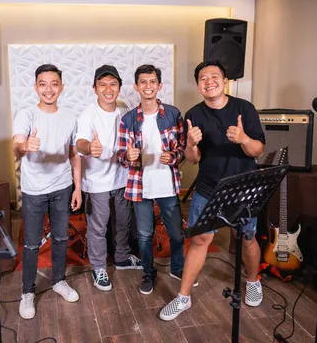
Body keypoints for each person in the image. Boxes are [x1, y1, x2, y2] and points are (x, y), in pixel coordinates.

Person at [159, 60, 266, 321]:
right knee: (199, 240)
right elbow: (193, 158)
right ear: (198, 86)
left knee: (247, 237)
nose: (209, 81)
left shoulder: (245, 108)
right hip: (208, 188)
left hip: (243, 187)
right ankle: (183, 297)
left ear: (225, 80)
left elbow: (258, 150)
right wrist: (192, 144)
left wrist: (243, 139)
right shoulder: (193, 114)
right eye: (203, 78)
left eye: (214, 76)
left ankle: (253, 281)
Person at [12, 64, 83, 320]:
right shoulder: (27, 115)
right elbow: (16, 146)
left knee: (62, 238)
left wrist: (77, 187)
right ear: (36, 87)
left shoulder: (70, 116)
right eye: (43, 84)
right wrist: (24, 147)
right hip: (34, 190)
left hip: (62, 187)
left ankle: (59, 281)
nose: (48, 89)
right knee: (31, 244)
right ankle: (28, 292)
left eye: (54, 84)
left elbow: (74, 155)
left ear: (61, 88)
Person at [116, 64, 187, 295]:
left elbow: (182, 148)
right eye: (143, 82)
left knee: (176, 232)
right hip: (140, 185)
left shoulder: (173, 114)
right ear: (136, 87)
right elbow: (120, 154)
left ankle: (177, 268)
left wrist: (173, 156)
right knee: (144, 235)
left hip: (167, 183)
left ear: (159, 86)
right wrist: (128, 156)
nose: (148, 86)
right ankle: (148, 272)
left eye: (152, 81)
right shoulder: (128, 119)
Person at [75, 65, 143, 291]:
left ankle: (122, 257)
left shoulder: (124, 110)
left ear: (119, 87)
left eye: (113, 84)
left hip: (122, 178)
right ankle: (98, 267)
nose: (108, 89)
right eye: (102, 84)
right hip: (96, 182)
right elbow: (80, 143)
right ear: (95, 88)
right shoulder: (88, 114)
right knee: (98, 226)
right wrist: (89, 147)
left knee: (123, 222)